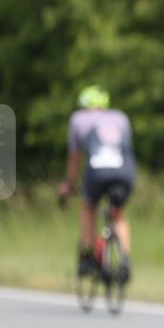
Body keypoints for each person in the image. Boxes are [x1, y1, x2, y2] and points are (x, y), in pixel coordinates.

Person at [57, 85, 136, 279]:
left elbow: (75, 157)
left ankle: (88, 255)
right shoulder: (121, 117)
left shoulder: (78, 119)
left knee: (88, 208)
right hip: (125, 171)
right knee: (118, 214)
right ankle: (125, 258)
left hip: (97, 171)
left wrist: (70, 182)